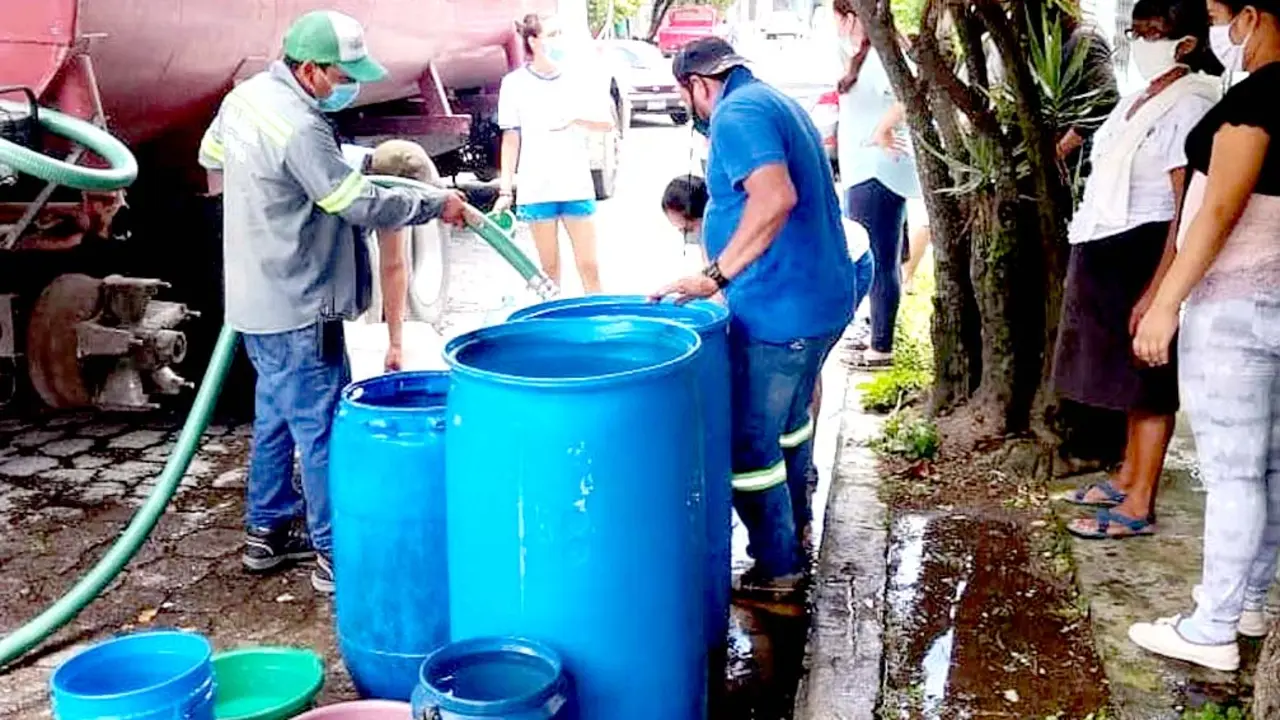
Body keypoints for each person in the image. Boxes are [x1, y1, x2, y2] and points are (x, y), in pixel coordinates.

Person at [197, 10, 466, 594]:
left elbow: (210, 158)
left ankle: (265, 533)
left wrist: (269, 204)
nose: (351, 85)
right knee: (322, 431)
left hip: (254, 297)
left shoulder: (244, 100)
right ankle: (333, 554)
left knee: (274, 420)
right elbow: (358, 205)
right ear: (313, 69)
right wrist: (432, 203)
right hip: (300, 303)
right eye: (343, 74)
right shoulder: (302, 126)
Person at [653, 38, 855, 598]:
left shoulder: (737, 114)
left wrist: (714, 276)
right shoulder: (771, 100)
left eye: (685, 94)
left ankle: (777, 567)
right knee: (790, 421)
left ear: (698, 84)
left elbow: (775, 197)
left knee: (748, 445)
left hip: (780, 310)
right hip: (818, 300)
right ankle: (798, 523)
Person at [1126, 0, 1280, 672]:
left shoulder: (1262, 95)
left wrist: (1167, 301)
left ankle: (1212, 625)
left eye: (1220, 12)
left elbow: (1220, 207)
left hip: (1235, 304)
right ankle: (1246, 602)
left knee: (1235, 472)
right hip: (1272, 298)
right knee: (1269, 470)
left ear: (1251, 15)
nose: (1221, 28)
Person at [1055, 0, 1221, 540]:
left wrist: (1160, 288)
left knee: (1149, 380)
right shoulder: (1139, 99)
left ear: (1188, 42)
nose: (1144, 41)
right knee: (1124, 378)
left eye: (1156, 32)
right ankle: (1127, 473)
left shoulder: (1192, 104)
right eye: (1138, 31)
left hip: (1146, 247)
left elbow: (1185, 204)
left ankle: (1140, 501)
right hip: (1107, 242)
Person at [492, 13, 614, 294]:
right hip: (537, 188)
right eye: (553, 35)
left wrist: (576, 119)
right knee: (549, 271)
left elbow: (607, 123)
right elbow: (511, 138)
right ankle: (555, 328)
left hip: (576, 185)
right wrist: (505, 191)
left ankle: (597, 322)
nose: (559, 41)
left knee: (589, 265)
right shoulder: (514, 84)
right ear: (533, 41)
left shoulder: (577, 76)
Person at [831, 0, 920, 369]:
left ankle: (881, 347)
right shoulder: (864, 52)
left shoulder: (885, 54)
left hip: (876, 171)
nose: (834, 27)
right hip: (864, 169)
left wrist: (883, 130)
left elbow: (910, 94)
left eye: (836, 19)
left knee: (879, 260)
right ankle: (875, 333)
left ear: (853, 17)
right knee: (886, 257)